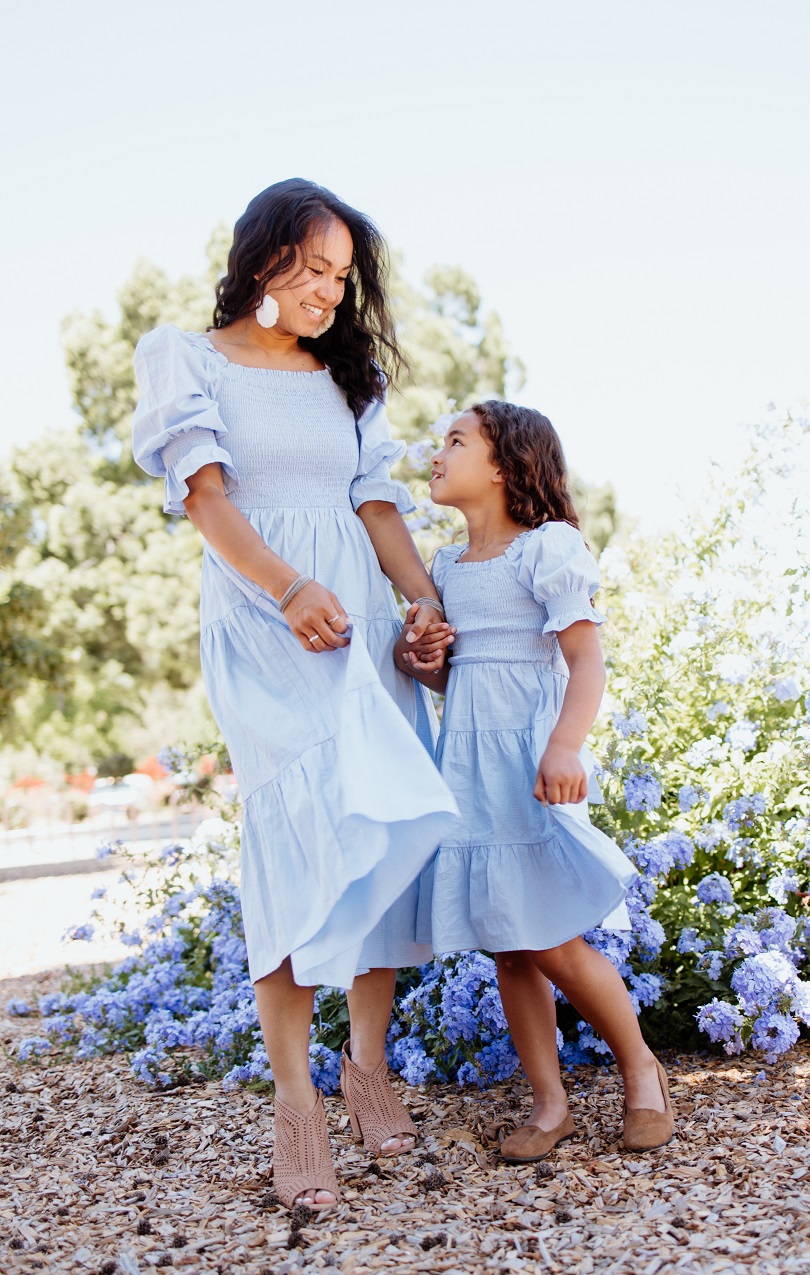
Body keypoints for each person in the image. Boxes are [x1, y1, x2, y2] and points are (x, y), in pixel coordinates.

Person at [132, 179, 458, 1211]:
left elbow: (377, 504)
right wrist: (287, 590)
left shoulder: (346, 379)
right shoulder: (184, 358)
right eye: (313, 268)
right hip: (266, 616)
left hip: (357, 621)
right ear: (264, 257)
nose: (328, 290)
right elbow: (206, 500)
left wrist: (421, 606)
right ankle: (294, 1103)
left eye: (341, 276)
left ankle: (366, 1066)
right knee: (291, 835)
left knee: (378, 824)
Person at [396, 401, 674, 1159]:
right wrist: (416, 657)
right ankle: (550, 1106)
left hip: (531, 760)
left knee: (550, 936)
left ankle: (641, 1068)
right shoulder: (446, 568)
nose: (437, 451)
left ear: (505, 464)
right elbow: (445, 670)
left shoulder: (545, 549)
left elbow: (586, 661)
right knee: (508, 945)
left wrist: (566, 746)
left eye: (456, 440)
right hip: (470, 766)